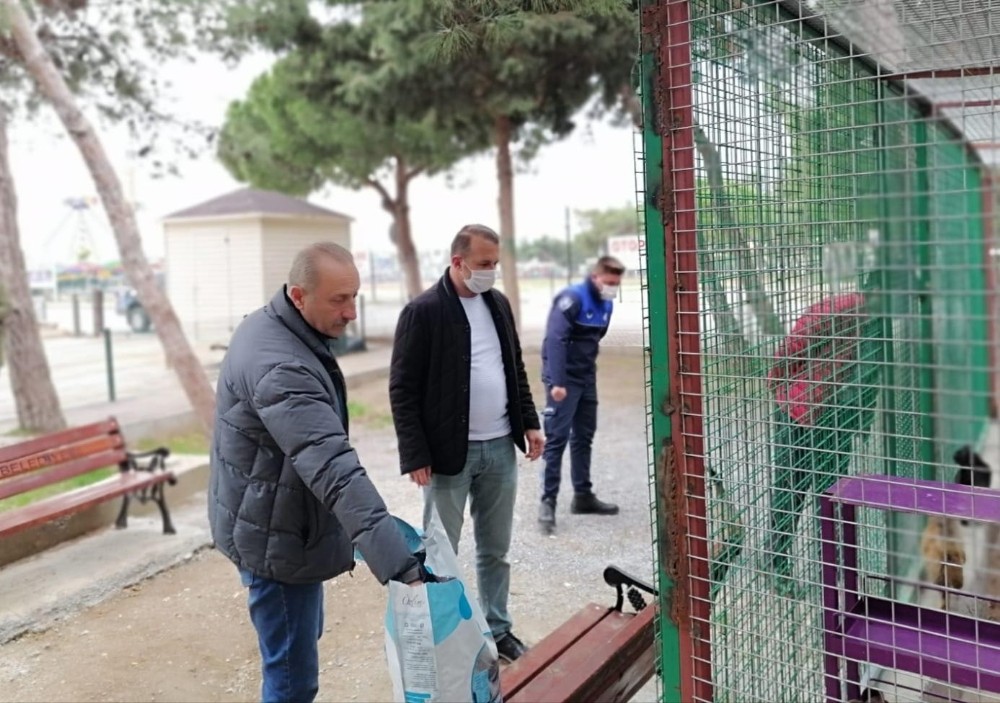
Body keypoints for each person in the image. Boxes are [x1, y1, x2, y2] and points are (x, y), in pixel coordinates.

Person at [209, 242, 429, 703]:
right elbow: (333, 466)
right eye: (338, 299)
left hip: (270, 519)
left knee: (296, 647)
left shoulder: (273, 328)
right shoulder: (281, 364)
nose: (351, 312)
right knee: (292, 681)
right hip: (277, 538)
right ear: (298, 296)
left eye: (355, 296)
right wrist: (401, 566)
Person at [389, 224, 544, 663]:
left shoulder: (497, 304)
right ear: (458, 262)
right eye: (483, 264)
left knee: (496, 549)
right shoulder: (423, 311)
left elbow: (514, 367)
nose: (490, 272)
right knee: (440, 552)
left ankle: (499, 630)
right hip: (446, 458)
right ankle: (444, 639)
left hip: (499, 449)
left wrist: (529, 423)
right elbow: (402, 388)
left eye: (495, 264)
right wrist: (416, 454)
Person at [538, 255, 626, 534]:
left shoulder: (607, 303)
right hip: (563, 380)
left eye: (616, 283)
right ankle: (547, 502)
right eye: (609, 282)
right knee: (557, 439)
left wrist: (584, 373)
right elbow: (555, 340)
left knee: (584, 436)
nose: (612, 287)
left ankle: (583, 496)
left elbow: (596, 338)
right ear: (595, 277)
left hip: (586, 378)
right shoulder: (572, 299)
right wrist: (558, 382)